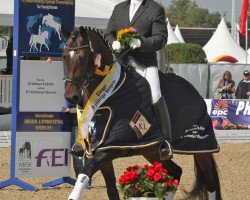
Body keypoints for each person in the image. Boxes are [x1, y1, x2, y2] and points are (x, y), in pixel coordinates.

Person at [104, 0, 173, 160]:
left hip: (145, 64)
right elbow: (109, 32)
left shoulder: (155, 9)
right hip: (122, 63)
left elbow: (161, 38)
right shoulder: (119, 8)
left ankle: (165, 142)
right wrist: (112, 42)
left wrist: (141, 42)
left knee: (155, 95)